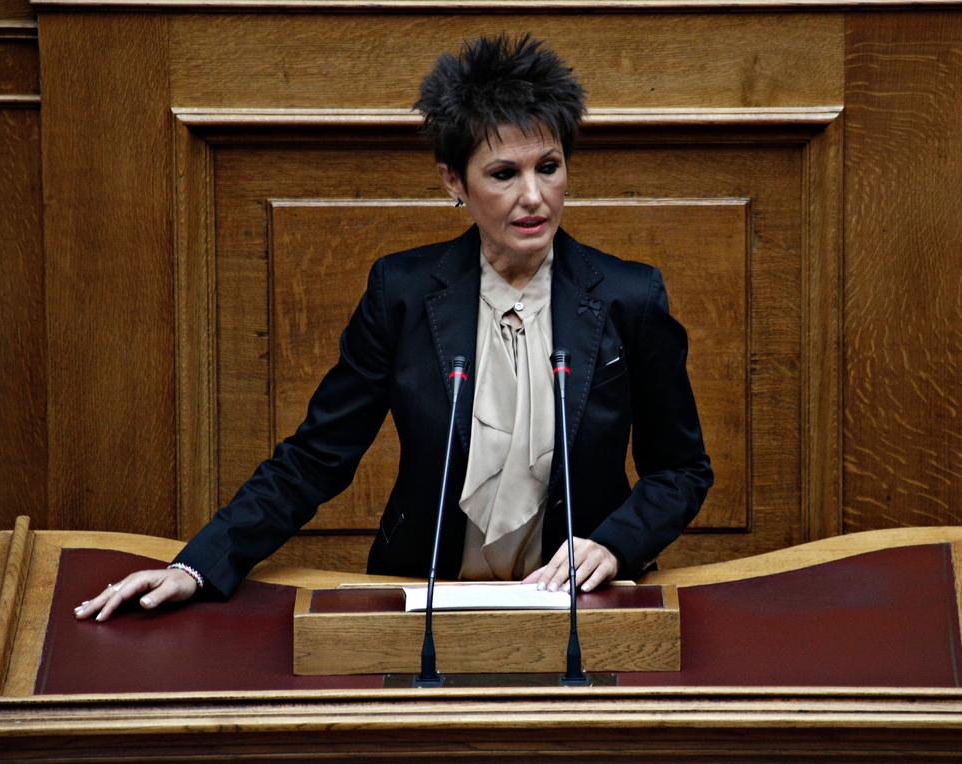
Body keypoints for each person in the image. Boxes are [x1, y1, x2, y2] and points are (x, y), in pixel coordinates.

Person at [77, 33, 713, 623]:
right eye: (503, 174)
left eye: (548, 167)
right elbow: (317, 456)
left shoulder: (629, 297)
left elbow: (681, 469)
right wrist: (197, 565)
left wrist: (615, 544)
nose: (533, 196)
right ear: (452, 180)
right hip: (425, 599)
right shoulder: (402, 294)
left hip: (582, 608)